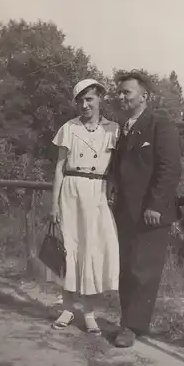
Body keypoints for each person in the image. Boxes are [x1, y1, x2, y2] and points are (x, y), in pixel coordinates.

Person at [110, 71, 181, 347]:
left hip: (151, 212)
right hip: (126, 211)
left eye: (126, 92)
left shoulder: (160, 125)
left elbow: (170, 169)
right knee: (126, 268)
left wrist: (155, 205)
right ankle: (128, 322)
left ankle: (132, 327)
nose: (121, 97)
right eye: (119, 92)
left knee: (143, 269)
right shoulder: (123, 127)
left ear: (144, 97)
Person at [50, 78, 120, 335]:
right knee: (71, 248)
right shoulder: (69, 128)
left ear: (100, 97)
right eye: (80, 100)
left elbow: (116, 168)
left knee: (91, 249)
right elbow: (59, 167)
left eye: (90, 98)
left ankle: (89, 313)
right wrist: (54, 204)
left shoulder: (113, 130)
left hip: (96, 191)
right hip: (71, 189)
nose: (85, 104)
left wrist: (112, 192)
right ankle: (68, 308)